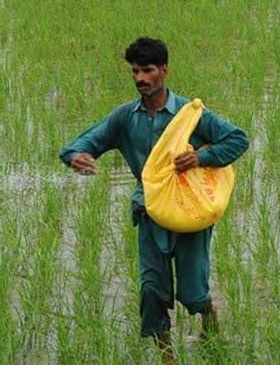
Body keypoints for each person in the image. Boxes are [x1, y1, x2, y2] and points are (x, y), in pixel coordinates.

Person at [59, 37, 249, 362]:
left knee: (192, 291)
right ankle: (167, 357)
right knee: (152, 290)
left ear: (164, 71)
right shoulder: (125, 117)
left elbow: (238, 139)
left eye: (147, 70)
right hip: (149, 212)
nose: (140, 79)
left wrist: (202, 159)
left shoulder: (190, 115)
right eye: (134, 72)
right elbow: (83, 142)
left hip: (189, 212)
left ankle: (210, 323)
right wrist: (77, 156)